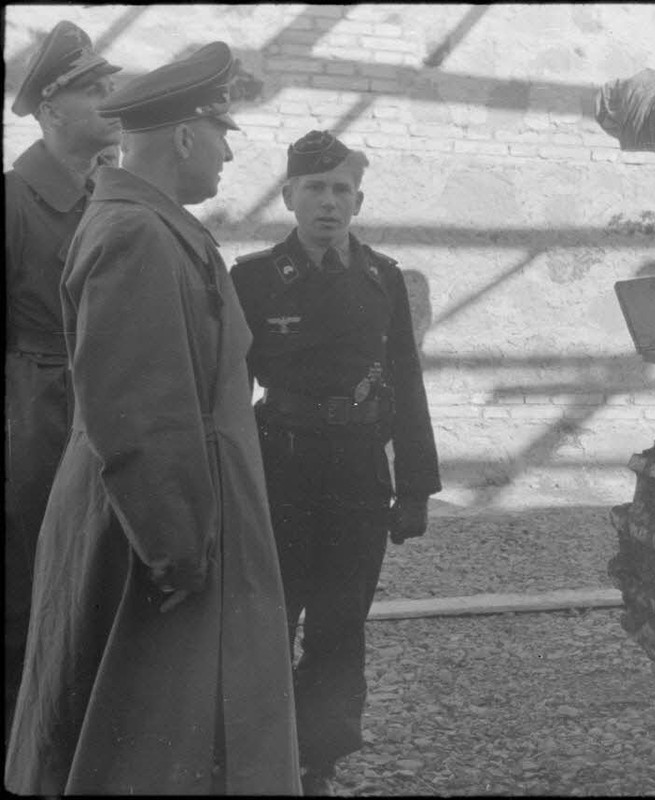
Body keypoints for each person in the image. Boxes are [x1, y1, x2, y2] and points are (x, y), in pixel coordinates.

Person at [3, 42, 302, 795]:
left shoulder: (153, 225)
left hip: (180, 510)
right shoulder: (136, 234)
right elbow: (140, 413)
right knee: (143, 737)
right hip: (155, 530)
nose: (230, 155)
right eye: (224, 135)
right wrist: (175, 548)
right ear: (185, 137)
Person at [230, 130, 442, 794]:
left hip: (357, 472)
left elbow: (406, 381)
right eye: (315, 189)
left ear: (358, 199)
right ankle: (257, 754)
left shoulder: (383, 278)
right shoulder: (253, 278)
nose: (329, 203)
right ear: (289, 195)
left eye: (341, 190)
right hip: (280, 466)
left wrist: (414, 487)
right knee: (271, 613)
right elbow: (230, 390)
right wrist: (227, 484)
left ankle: (317, 760)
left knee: (340, 620)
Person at [4, 20, 122, 747]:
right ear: (51, 111)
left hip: (105, 414)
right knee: (30, 593)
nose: (111, 98)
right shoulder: (14, 202)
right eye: (93, 89)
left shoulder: (113, 196)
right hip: (35, 424)